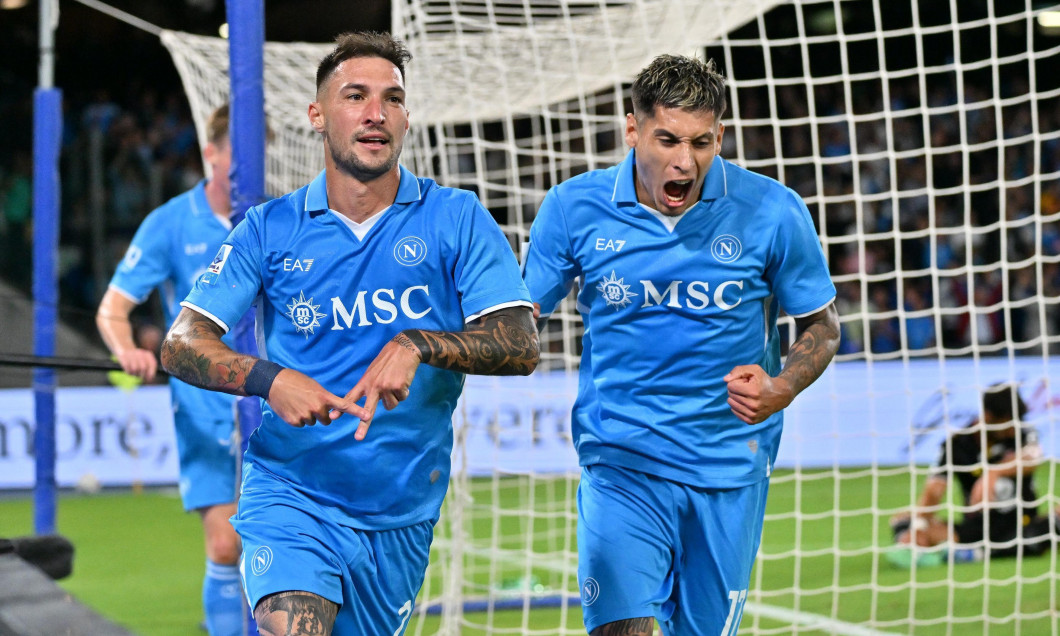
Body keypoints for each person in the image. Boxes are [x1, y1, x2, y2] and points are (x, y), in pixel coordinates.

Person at [160, 31, 538, 636]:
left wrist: (419, 344)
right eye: (355, 95)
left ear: (406, 117)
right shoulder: (268, 229)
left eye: (392, 98)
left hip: (399, 510)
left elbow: (521, 343)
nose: (375, 112)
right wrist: (271, 379)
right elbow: (181, 343)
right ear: (317, 115)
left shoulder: (457, 217)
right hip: (293, 489)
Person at [521, 54, 840, 635]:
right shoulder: (573, 208)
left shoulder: (771, 210)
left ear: (720, 135)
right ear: (632, 129)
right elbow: (519, 321)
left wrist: (783, 386)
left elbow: (822, 326)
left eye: (701, 142)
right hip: (622, 462)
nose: (684, 161)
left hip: (728, 469)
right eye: (666, 139)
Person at [95, 104, 246, 636]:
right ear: (211, 154)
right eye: (238, 157)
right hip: (204, 403)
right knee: (226, 544)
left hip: (276, 400)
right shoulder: (170, 223)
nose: (249, 168)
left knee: (285, 549)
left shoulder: (279, 216)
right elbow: (113, 309)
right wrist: (126, 351)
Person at [887, 383, 1059, 568]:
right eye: (1007, 422)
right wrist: (919, 527)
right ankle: (970, 551)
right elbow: (934, 489)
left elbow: (1032, 457)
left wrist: (993, 473)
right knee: (902, 520)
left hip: (1023, 523)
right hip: (977, 528)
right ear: (987, 417)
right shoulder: (957, 444)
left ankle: (970, 553)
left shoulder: (1022, 432)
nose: (1012, 429)